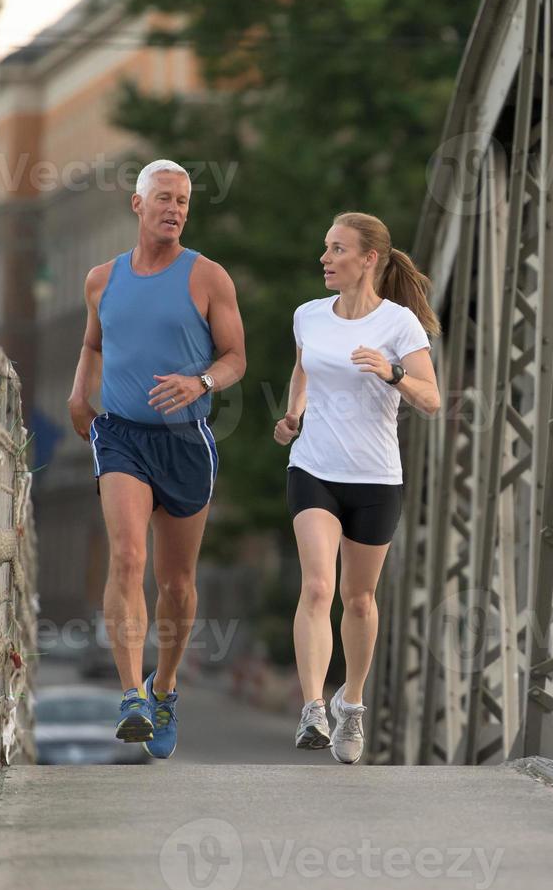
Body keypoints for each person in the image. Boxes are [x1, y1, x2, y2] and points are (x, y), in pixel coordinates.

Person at [66, 159, 246, 759]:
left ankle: (163, 686)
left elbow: (235, 358)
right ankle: (131, 697)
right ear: (137, 205)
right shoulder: (101, 280)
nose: (175, 209)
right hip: (120, 435)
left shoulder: (208, 277)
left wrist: (202, 382)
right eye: (165, 199)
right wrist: (77, 394)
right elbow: (93, 344)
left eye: (185, 202)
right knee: (127, 555)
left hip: (186, 440)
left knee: (176, 583)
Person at [273, 212, 442, 763]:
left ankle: (352, 703)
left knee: (359, 599)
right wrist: (293, 415)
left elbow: (432, 400)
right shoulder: (308, 316)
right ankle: (313, 708)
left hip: (374, 477)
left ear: (369, 259)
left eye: (337, 249)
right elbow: (303, 370)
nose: (325, 258)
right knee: (318, 587)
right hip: (313, 467)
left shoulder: (400, 326)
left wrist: (392, 373)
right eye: (325, 247)